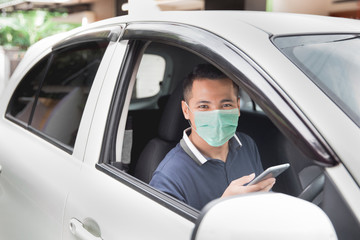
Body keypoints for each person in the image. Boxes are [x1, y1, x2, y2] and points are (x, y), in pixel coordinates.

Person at [149, 63, 275, 210]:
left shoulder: (247, 144)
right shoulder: (168, 177)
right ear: (186, 111)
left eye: (226, 105)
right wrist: (222, 209)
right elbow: (170, 233)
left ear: (238, 107)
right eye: (203, 106)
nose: (216, 116)